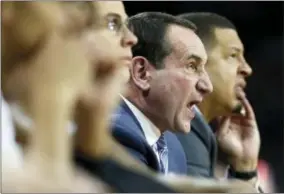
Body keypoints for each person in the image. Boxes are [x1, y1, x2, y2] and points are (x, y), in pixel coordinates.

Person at [111, 11, 212, 176]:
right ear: (142, 73)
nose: (207, 86)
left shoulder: (173, 147)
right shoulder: (118, 132)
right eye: (192, 66)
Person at [175, 12, 262, 191]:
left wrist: (245, 168)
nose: (247, 68)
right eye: (233, 55)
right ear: (194, 63)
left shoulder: (195, 134)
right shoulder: (179, 137)